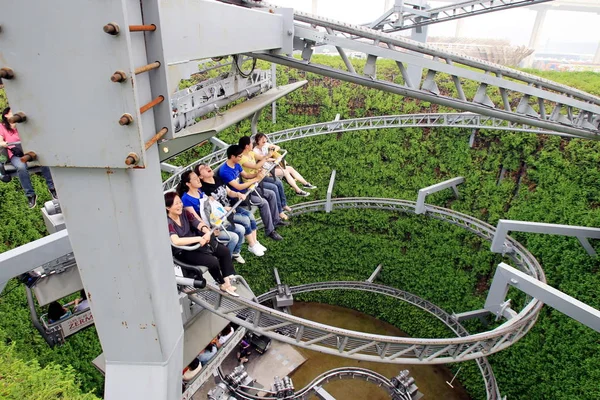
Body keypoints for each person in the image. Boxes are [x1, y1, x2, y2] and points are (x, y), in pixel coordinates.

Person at [164, 191, 238, 297]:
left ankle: (227, 282)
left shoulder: (184, 213)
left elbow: (197, 223)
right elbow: (176, 241)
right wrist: (198, 238)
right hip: (184, 250)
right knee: (213, 261)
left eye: (180, 202)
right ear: (168, 207)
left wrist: (206, 231)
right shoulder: (168, 222)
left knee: (224, 251)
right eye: (176, 204)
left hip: (197, 244)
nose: (180, 205)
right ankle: (222, 283)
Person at [196, 163, 266, 257]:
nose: (207, 167)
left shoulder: (217, 179)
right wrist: (224, 208)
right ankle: (252, 244)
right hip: (223, 213)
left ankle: (254, 242)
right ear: (200, 176)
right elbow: (211, 207)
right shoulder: (204, 189)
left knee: (250, 216)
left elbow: (229, 192)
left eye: (207, 165)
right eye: (203, 168)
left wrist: (238, 194)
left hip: (231, 207)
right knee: (245, 221)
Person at [176, 170, 246, 264]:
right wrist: (209, 231)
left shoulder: (199, 191)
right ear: (188, 183)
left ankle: (235, 253)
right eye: (195, 179)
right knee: (234, 237)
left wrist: (224, 208)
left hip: (215, 221)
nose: (198, 180)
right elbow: (195, 218)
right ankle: (226, 262)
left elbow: (211, 206)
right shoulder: (186, 199)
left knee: (241, 229)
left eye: (197, 177)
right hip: (206, 228)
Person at [219, 145, 285, 241]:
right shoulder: (225, 171)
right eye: (239, 156)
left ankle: (276, 220)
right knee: (264, 203)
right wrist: (255, 179)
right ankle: (270, 231)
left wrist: (256, 174)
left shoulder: (236, 164)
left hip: (247, 189)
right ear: (233, 156)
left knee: (271, 194)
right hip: (239, 196)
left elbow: (246, 175)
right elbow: (238, 187)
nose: (241, 158)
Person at [0, 107, 57, 208]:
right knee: (21, 167)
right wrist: (4, 143)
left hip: (29, 151)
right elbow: (1, 140)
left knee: (43, 161)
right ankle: (30, 194)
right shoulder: (2, 127)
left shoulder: (23, 125)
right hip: (16, 153)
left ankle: (52, 187)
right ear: (6, 115)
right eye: (11, 112)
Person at [239, 136, 290, 221]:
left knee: (278, 182)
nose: (252, 144)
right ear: (247, 146)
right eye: (251, 143)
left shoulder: (251, 153)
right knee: (273, 188)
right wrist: (267, 157)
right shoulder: (242, 158)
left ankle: (283, 204)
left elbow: (262, 158)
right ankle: (279, 212)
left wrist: (272, 158)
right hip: (252, 180)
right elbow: (256, 166)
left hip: (259, 175)